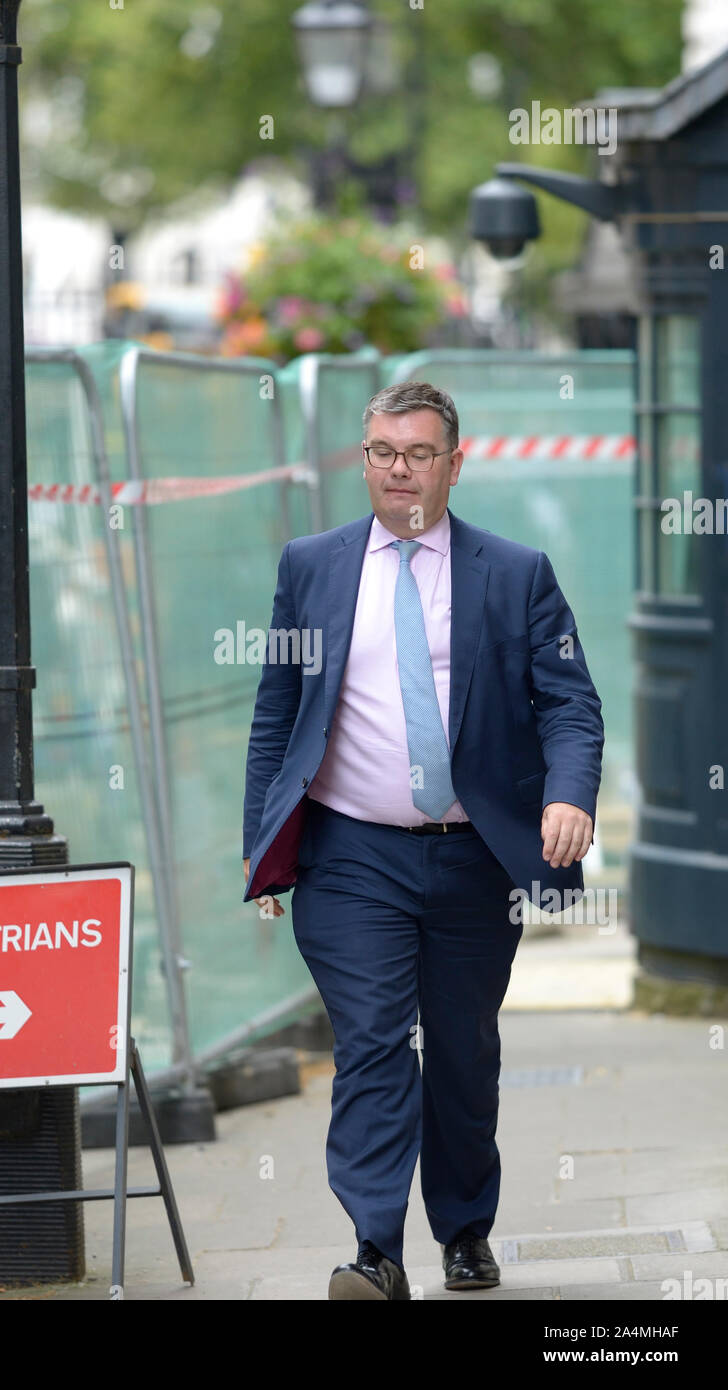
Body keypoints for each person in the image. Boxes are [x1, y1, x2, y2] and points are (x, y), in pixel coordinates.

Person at [241, 381, 603, 1300]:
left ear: (454, 461)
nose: (398, 471)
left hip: (475, 853)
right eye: (381, 453)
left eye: (418, 454)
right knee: (368, 1041)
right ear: (363, 458)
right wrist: (263, 845)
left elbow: (569, 704)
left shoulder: (516, 573)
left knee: (461, 1048)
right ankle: (375, 1250)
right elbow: (277, 713)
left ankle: (465, 1228)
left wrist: (568, 798)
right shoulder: (311, 566)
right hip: (352, 851)